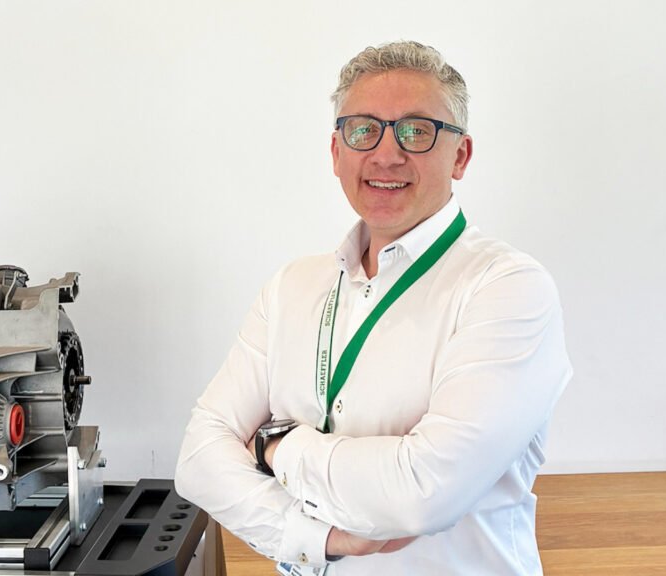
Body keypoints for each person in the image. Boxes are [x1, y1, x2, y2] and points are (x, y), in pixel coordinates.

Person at [174, 40, 572, 575]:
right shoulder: (291, 287)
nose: (386, 154)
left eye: (416, 131)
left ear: (460, 155)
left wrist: (276, 447)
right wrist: (317, 539)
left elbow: (423, 493)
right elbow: (199, 459)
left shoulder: (507, 288)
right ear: (336, 151)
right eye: (363, 130)